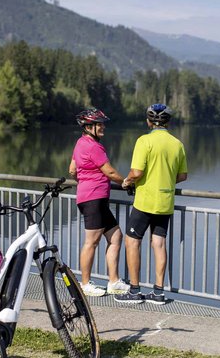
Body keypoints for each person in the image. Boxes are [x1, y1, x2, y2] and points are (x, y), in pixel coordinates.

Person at [115, 103, 188, 305]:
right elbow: (182, 176)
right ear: (168, 123)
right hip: (165, 201)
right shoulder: (177, 144)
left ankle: (135, 291)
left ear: (149, 122)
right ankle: (158, 292)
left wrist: (127, 181)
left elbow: (137, 172)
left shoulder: (144, 141)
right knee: (159, 244)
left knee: (132, 241)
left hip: (145, 201)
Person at [69, 108, 130, 296]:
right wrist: (125, 182)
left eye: (103, 123)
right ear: (88, 127)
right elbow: (110, 172)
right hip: (93, 199)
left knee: (115, 236)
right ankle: (85, 284)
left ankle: (114, 282)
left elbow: (72, 170)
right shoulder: (93, 146)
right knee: (91, 242)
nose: (103, 127)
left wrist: (85, 179)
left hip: (94, 198)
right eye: (99, 124)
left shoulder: (80, 143)